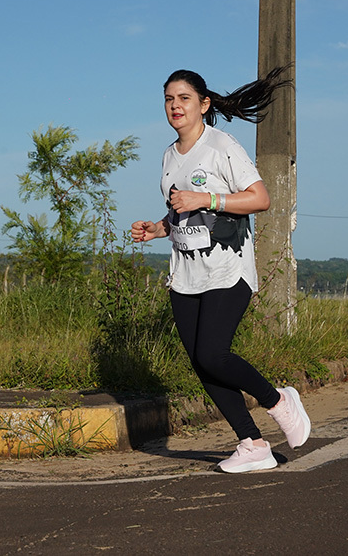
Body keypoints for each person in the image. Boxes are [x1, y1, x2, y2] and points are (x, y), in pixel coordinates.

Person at [130, 67, 310, 473]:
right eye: (169, 99)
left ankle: (278, 400)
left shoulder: (220, 145)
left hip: (227, 268)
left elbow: (260, 199)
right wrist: (157, 228)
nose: (175, 106)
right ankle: (253, 444)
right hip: (185, 274)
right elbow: (182, 211)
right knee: (201, 361)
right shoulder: (169, 155)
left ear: (204, 104)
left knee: (213, 353)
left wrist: (207, 198)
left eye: (184, 98)